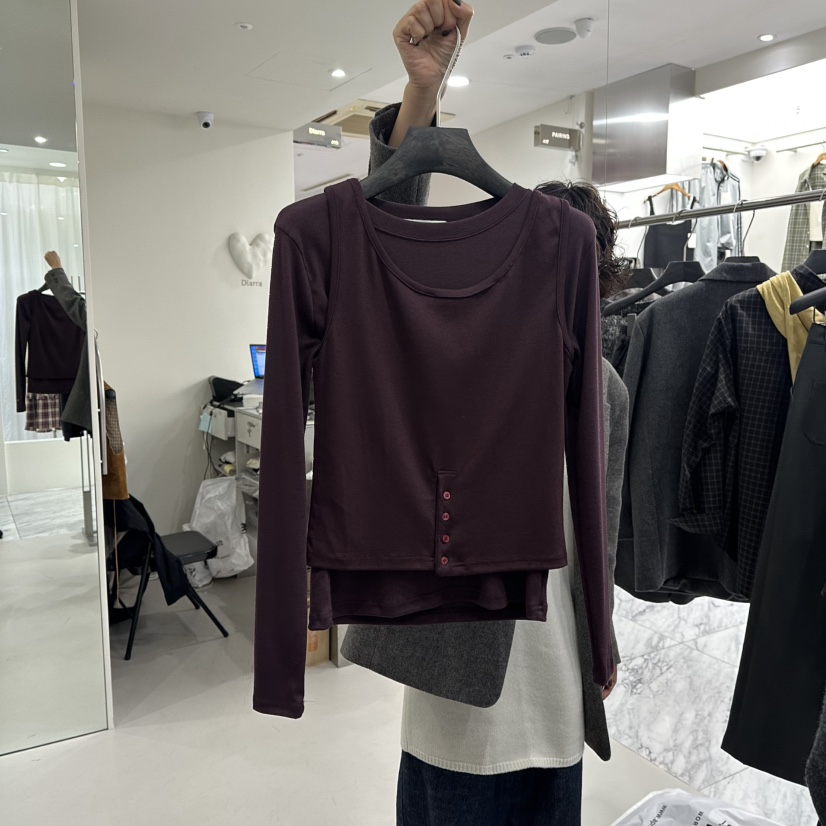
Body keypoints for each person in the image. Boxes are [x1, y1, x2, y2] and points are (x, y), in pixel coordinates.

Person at [364, 3, 630, 824]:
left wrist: (601, 635)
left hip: (558, 692)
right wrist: (421, 97)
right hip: (459, 691)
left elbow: (599, 530)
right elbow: (382, 239)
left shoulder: (607, 386)